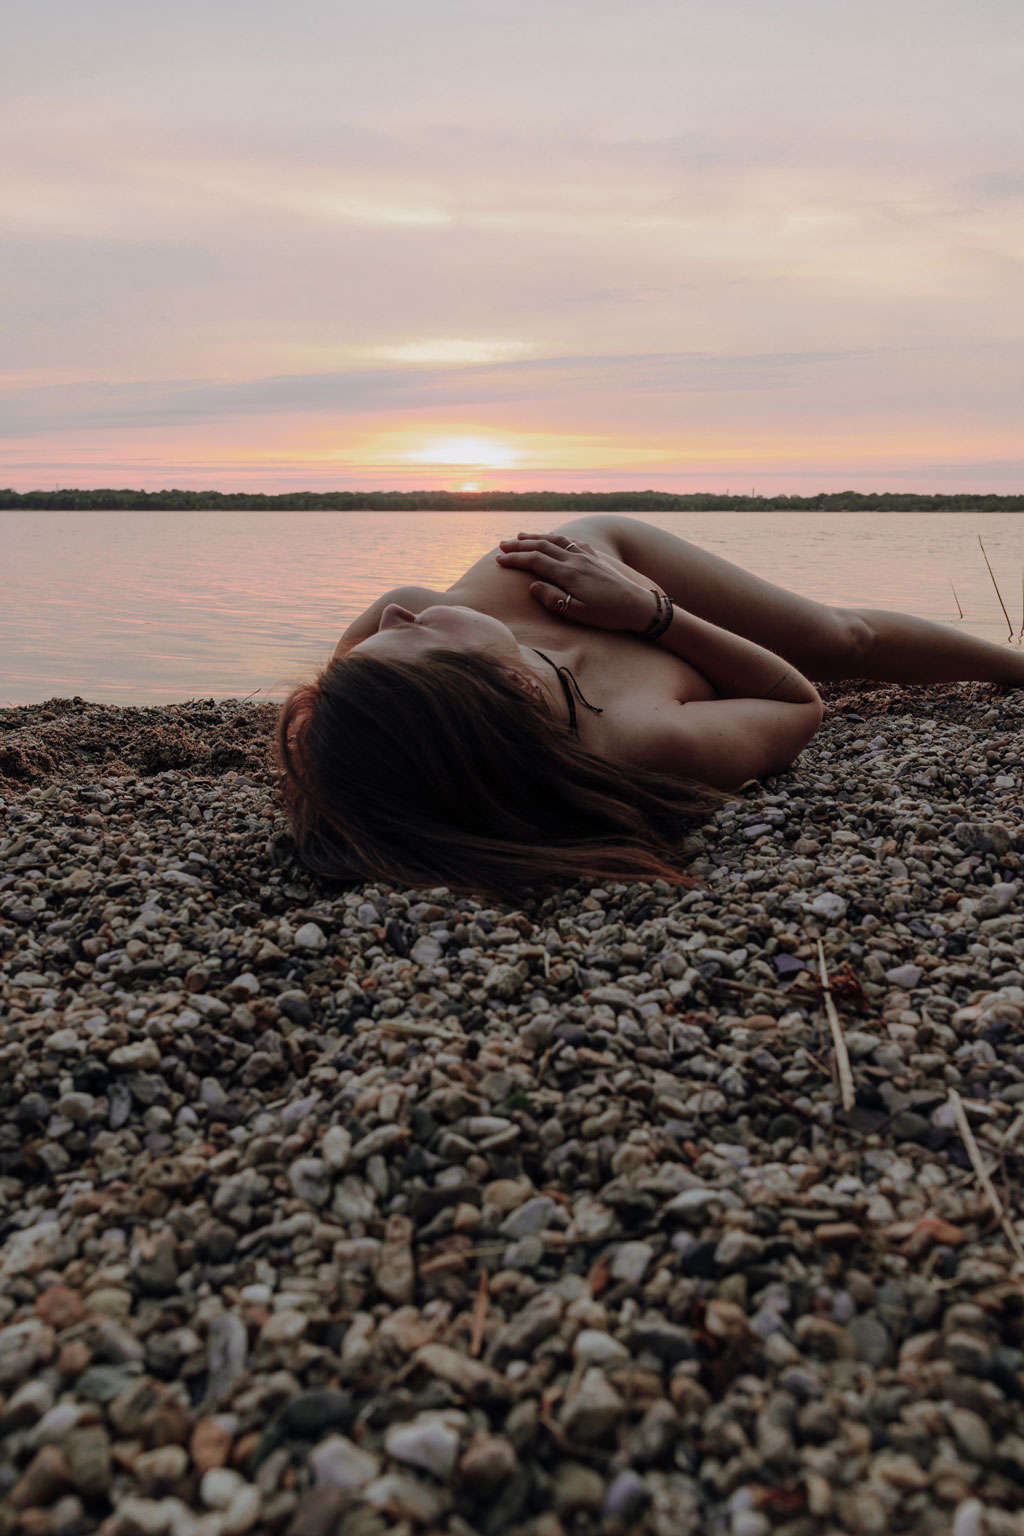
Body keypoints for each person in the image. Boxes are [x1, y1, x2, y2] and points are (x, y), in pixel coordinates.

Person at [277, 515, 1024, 898]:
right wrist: (652, 616)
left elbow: (359, 749)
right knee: (842, 644)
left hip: (609, 556)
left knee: (835, 630)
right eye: (416, 635)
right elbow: (797, 699)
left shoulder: (396, 615)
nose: (393, 618)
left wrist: (627, 584)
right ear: (511, 689)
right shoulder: (643, 739)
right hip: (637, 601)